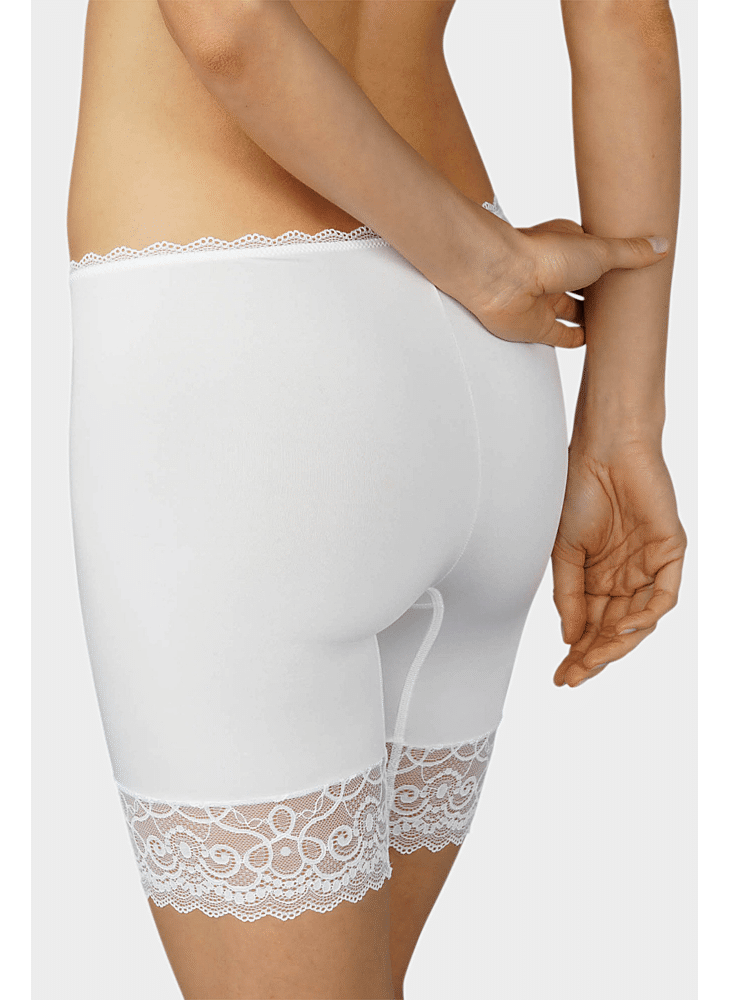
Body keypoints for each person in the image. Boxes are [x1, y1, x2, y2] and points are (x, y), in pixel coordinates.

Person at [66, 2, 686, 998]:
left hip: (238, 371)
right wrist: (621, 429)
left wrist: (486, 265)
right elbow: (625, 23)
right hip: (487, 376)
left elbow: (229, 26)